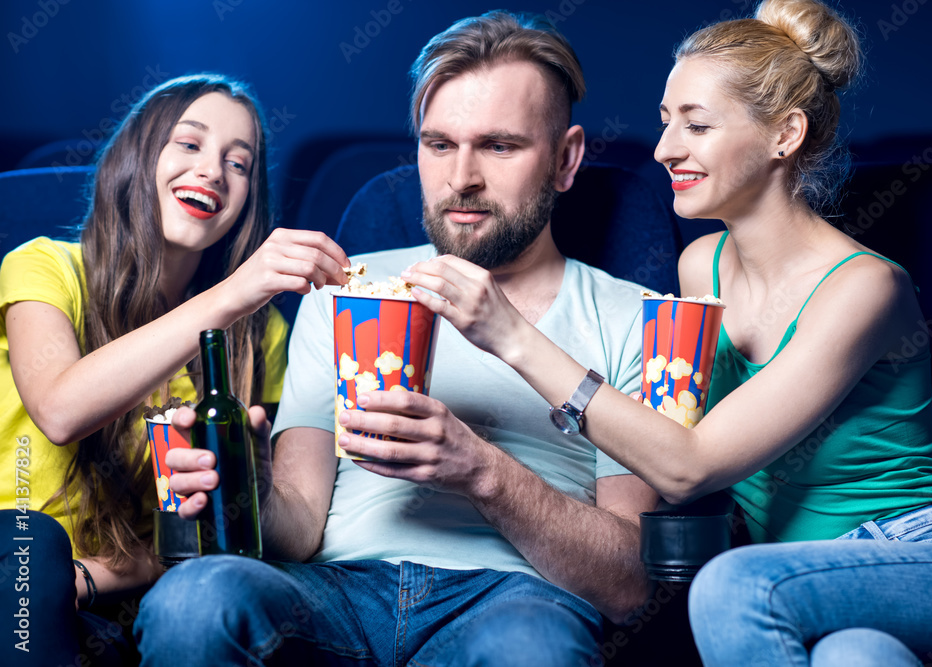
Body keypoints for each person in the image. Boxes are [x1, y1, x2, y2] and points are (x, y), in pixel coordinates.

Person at [395, 0, 932, 664]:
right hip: (814, 579)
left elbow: (692, 464)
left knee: (732, 587)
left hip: (931, 552)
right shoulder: (700, 266)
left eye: (697, 125)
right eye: (664, 123)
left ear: (785, 134)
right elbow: (662, 440)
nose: (664, 149)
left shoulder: (866, 288)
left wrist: (512, 336)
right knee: (857, 658)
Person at [134, 11, 659, 667]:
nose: (461, 177)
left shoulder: (633, 316)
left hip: (515, 597)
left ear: (565, 158)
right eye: (439, 144)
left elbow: (628, 583)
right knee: (191, 600)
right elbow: (297, 526)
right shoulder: (343, 288)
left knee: (533, 648)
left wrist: (482, 472)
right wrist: (251, 484)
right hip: (335, 590)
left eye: (499, 146)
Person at [0, 74, 349, 666]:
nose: (213, 170)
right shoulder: (44, 268)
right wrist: (236, 293)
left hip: (140, 604)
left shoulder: (259, 336)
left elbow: (237, 532)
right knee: (33, 546)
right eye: (189, 145)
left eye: (238, 165)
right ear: (137, 158)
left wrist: (97, 579)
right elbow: (60, 410)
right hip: (18, 570)